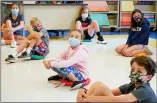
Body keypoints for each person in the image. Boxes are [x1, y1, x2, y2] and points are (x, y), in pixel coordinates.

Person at [77, 56, 157, 102]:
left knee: (100, 91)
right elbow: (106, 91)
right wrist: (83, 91)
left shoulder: (145, 90)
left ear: (148, 77)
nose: (134, 72)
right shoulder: (131, 86)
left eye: (139, 71)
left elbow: (115, 100)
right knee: (98, 85)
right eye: (133, 69)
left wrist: (86, 98)